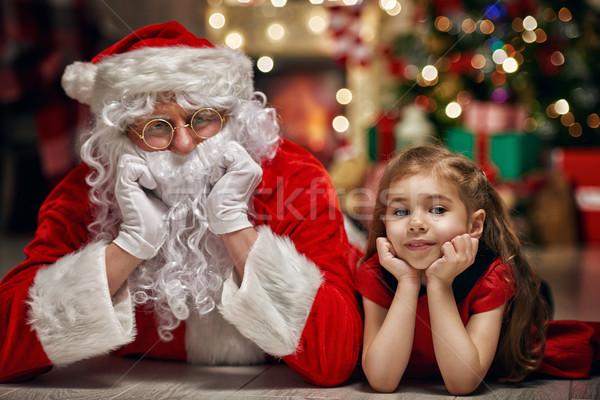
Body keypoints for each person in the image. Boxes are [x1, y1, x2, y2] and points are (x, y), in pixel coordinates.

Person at [0, 21, 363, 386]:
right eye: (157, 127)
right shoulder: (89, 193)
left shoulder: (293, 177)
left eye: (204, 119)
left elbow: (335, 358)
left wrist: (234, 225)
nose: (185, 144)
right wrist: (130, 244)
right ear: (121, 136)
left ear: (233, 118)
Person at [357, 144, 600, 395]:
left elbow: (462, 382)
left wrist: (440, 283)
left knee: (538, 303)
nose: (416, 223)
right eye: (401, 211)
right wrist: (407, 282)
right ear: (385, 224)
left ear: (474, 225)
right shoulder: (376, 273)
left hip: (521, 310)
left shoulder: (492, 276)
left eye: (437, 209)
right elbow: (381, 380)